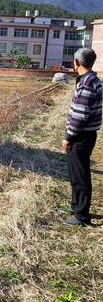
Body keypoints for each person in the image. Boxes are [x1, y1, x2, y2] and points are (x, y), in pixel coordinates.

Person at [61, 47, 102, 226]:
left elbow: (80, 115)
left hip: (81, 136)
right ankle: (76, 206)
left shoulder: (86, 83)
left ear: (77, 62)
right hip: (85, 135)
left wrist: (68, 137)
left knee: (80, 175)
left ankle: (82, 215)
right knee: (75, 173)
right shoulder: (92, 80)